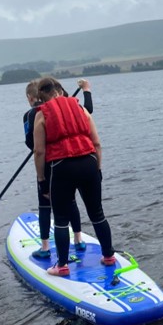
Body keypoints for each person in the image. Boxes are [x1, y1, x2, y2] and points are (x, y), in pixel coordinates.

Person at [32, 77, 116, 276]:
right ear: (61, 91)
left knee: (61, 219)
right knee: (97, 213)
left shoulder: (41, 114)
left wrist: (41, 179)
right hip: (89, 164)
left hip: (62, 167)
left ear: (41, 97)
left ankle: (61, 266)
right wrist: (99, 169)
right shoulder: (81, 109)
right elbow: (97, 144)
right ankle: (108, 256)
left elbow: (39, 152)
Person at [23, 79, 93, 259]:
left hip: (47, 165)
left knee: (45, 205)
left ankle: (45, 247)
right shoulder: (67, 106)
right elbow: (87, 111)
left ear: (31, 98)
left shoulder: (30, 115)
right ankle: (78, 239)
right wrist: (85, 91)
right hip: (65, 162)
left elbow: (31, 144)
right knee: (71, 202)